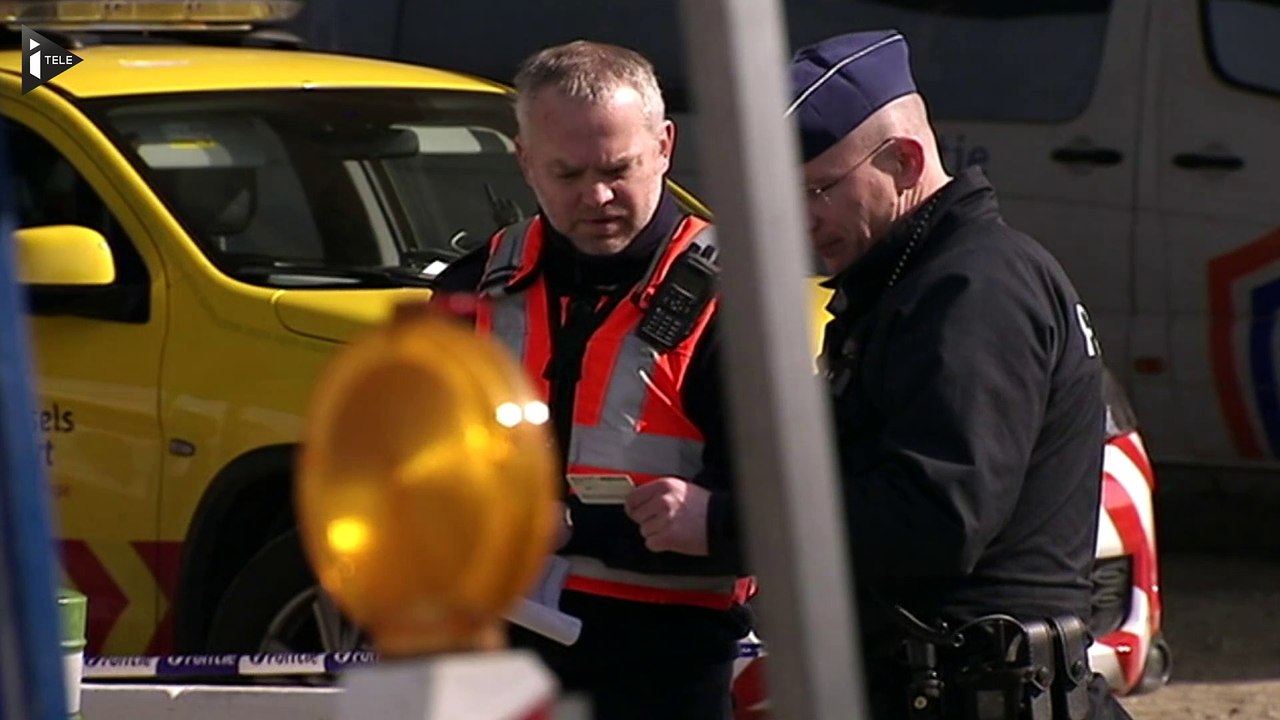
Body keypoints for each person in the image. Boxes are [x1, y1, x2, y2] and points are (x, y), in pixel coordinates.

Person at [786, 31, 1132, 720]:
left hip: (980, 693)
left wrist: (735, 523)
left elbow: (937, 517)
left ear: (905, 159)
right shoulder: (908, 282)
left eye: (818, 189)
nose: (799, 219)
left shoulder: (974, 289)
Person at [431, 40, 753, 720]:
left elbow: (783, 516)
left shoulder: (740, 301)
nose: (597, 196)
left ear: (665, 146)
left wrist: (576, 528)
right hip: (498, 654)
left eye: (619, 169)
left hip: (663, 664)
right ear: (524, 162)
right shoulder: (475, 289)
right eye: (567, 174)